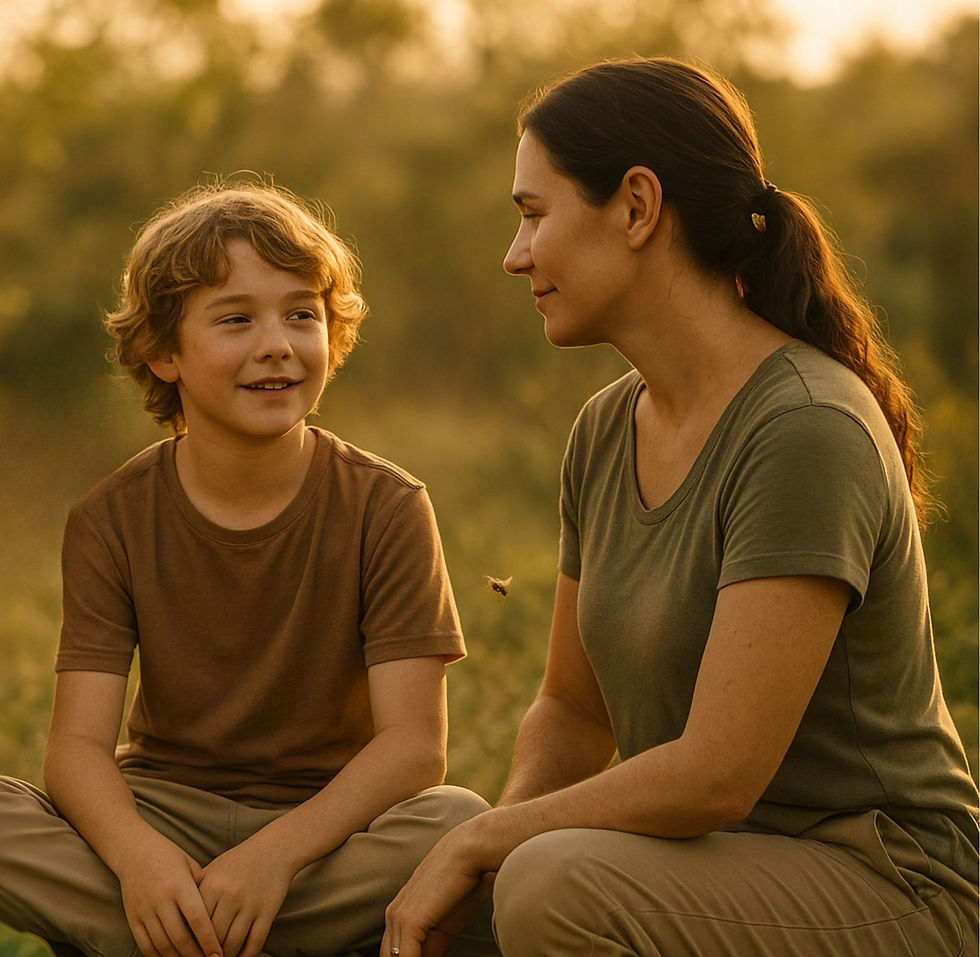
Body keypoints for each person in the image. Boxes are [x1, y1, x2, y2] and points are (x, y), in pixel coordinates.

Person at [382, 56, 980, 956]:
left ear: (636, 206)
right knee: (478, 891)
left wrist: (488, 843)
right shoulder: (603, 428)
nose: (515, 256)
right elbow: (575, 711)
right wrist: (480, 864)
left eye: (534, 216)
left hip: (889, 882)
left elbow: (717, 776)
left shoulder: (803, 427)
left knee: (547, 881)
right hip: (712, 868)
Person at [0, 182, 495, 957]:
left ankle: (171, 938)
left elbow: (411, 747)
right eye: (236, 318)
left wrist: (273, 857)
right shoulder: (111, 516)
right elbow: (76, 748)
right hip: (161, 813)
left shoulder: (388, 506)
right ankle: (195, 921)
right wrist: (137, 858)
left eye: (302, 313)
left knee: (457, 820)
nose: (277, 342)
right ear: (163, 352)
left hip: (325, 833)